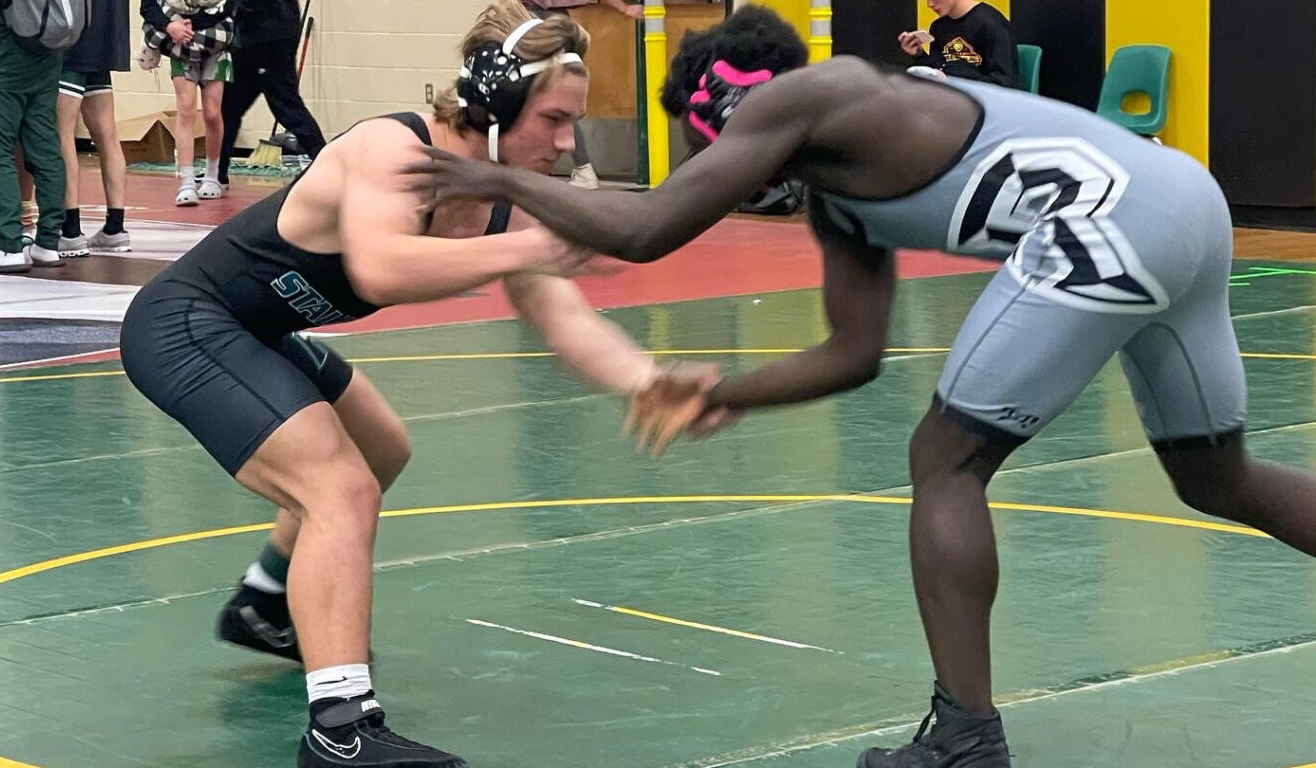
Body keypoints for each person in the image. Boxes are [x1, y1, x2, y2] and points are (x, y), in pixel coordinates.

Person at [405, 7, 1316, 766]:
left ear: (724, 100)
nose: (713, 167)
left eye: (701, 139)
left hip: (1109, 225)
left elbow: (649, 228)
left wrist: (494, 177)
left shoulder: (817, 91)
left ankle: (964, 735)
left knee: (945, 459)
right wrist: (727, 391)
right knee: (1214, 476)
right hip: (1186, 203)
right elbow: (854, 353)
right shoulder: (842, 182)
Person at [120, 3, 696, 765]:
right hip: (186, 323)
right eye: (555, 119)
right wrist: (528, 252)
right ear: (493, 103)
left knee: (382, 448)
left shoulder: (503, 201)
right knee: (340, 489)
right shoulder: (395, 150)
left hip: (255, 328)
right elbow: (380, 266)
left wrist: (645, 379)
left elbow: (562, 318)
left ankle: (266, 604)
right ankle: (341, 730)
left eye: (573, 123)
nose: (566, 142)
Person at [0, 0, 68, 273]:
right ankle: (48, 242)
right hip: (47, 50)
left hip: (3, 49)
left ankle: (9, 246)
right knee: (46, 150)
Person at [521, 0, 643, 188]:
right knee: (556, 100)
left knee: (544, 100)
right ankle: (579, 168)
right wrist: (624, 8)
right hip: (561, 23)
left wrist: (625, 8)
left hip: (538, 21)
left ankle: (580, 169)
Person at [216, 0, 325, 187]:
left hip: (267, 39)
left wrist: (228, 10)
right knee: (229, 108)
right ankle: (217, 172)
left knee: (287, 107)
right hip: (255, 39)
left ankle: (327, 163)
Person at [139, 0, 232, 205]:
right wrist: (171, 26)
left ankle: (212, 176)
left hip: (214, 43)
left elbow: (230, 6)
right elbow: (147, 6)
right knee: (186, 108)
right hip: (178, 44)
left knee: (212, 112)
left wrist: (193, 24)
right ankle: (187, 180)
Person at [57, 0, 132, 256]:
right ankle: (115, 228)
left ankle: (69, 229)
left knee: (62, 133)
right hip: (105, 38)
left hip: (70, 38)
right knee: (106, 133)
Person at [900, 0, 1018, 88]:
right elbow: (938, 69)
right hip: (951, 101)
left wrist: (952, 81)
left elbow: (1004, 81)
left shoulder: (991, 23)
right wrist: (919, 54)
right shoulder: (939, 27)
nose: (929, 4)